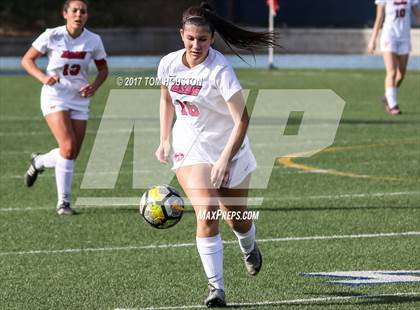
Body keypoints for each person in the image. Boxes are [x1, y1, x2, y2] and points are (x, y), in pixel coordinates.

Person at [155, 2, 277, 307]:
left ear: (213, 39)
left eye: (203, 40)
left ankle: (249, 247)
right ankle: (216, 289)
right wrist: (164, 139)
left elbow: (242, 120)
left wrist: (224, 159)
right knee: (206, 212)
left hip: (228, 147)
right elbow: (166, 100)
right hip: (190, 148)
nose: (196, 45)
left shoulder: (220, 69)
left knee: (236, 219)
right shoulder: (168, 64)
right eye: (191, 38)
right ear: (181, 33)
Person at [21, 0, 108, 215]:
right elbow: (27, 60)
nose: (79, 14)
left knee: (71, 153)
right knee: (67, 147)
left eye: (83, 11)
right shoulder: (52, 35)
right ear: (65, 14)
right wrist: (43, 77)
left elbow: (103, 70)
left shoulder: (93, 40)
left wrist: (94, 86)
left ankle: (39, 161)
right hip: (55, 95)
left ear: (87, 15)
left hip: (79, 98)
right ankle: (64, 203)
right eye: (75, 10)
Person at [368, 0, 420, 115]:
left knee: (401, 74)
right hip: (389, 37)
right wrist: (373, 40)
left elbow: (418, 15)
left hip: (404, 38)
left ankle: (388, 97)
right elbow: (379, 18)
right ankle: (393, 104)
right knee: (391, 72)